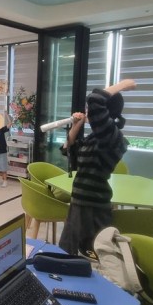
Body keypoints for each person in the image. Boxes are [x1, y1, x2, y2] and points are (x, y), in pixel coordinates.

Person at [58, 79, 136, 258]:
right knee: (69, 252)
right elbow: (67, 149)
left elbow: (95, 100)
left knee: (90, 256)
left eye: (90, 110)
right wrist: (77, 125)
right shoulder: (95, 138)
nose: (88, 111)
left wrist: (122, 85)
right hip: (79, 202)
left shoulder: (113, 138)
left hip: (93, 207)